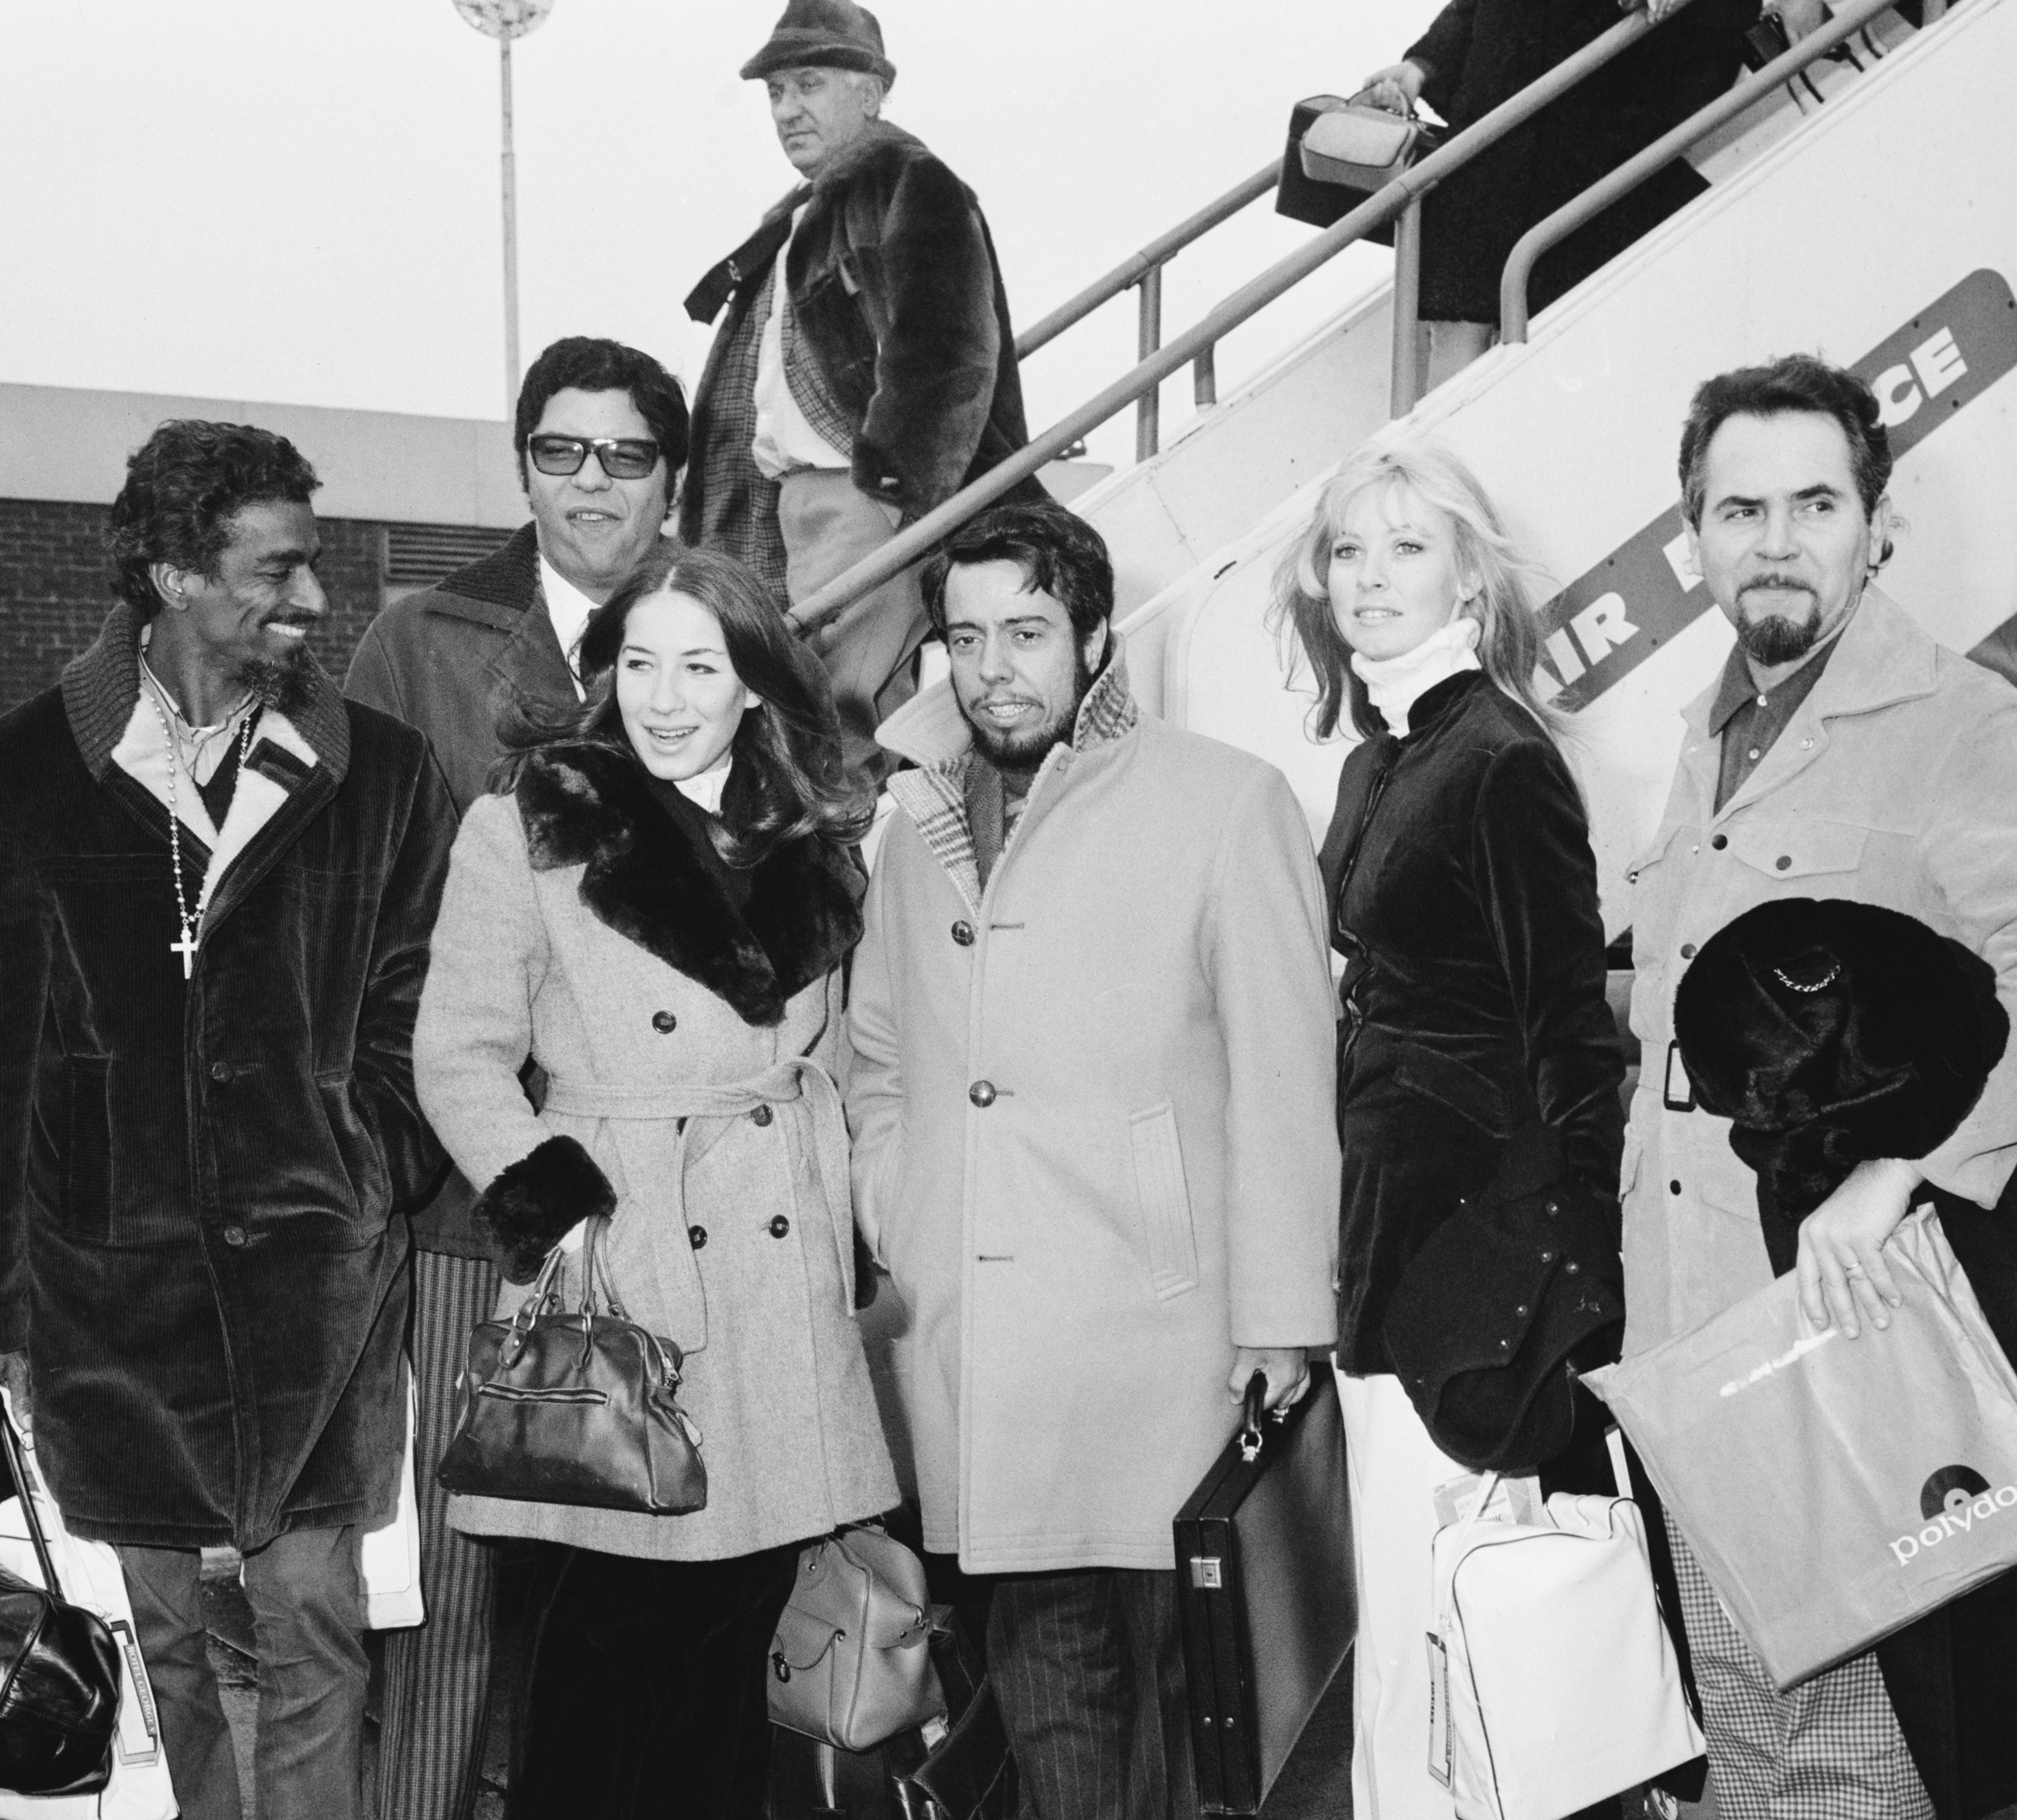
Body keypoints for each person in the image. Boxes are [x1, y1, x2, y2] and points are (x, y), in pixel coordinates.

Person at [1618, 354, 2017, 1818]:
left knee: (1847, 1755)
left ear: (1877, 523)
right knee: (1738, 1743)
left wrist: (1906, 1168)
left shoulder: (1963, 728)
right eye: (1739, 510)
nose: (1774, 541)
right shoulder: (1707, 738)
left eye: (1813, 504)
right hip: (1685, 1333)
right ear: (1693, 540)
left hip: (1830, 1339)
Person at [0, 421, 457, 1820]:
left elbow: (420, 1009)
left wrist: (367, 1161)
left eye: (316, 565)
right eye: (272, 571)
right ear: (167, 572)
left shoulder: (384, 773)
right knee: (159, 1635)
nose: (312, 601)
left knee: (312, 1623)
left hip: (320, 1286)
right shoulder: (28, 767)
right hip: (112, 1289)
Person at [847, 499, 1338, 1819]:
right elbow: (876, 1059)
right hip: (987, 1354)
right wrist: (907, 1211)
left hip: (1165, 1354)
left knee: (1190, 1728)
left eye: (1025, 631)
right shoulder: (917, 824)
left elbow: (1287, 1079)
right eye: (964, 637)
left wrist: (1282, 1315)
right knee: (1051, 1714)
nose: (992, 665)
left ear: (1094, 636)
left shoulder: (1225, 802)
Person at [412, 547, 896, 1819]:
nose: (665, 697)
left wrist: (852, 1241)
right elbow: (456, 1053)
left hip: (776, 1281)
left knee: (734, 1647)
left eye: (700, 665)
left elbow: (835, 1060)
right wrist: (569, 1218)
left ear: (753, 685)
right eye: (638, 663)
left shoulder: (816, 839)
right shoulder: (528, 826)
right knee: (599, 1650)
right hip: (622, 1277)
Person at [1276, 443, 1694, 1819]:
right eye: (1348, 550)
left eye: (1406, 547)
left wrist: (1560, 1295)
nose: (1371, 577)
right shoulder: (1379, 762)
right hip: (1385, 1246)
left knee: (1469, 1641)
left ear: (1468, 570)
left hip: (1472, 1270)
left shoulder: (1502, 758)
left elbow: (1574, 1039)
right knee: (1406, 1628)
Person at [343, 331, 687, 1820]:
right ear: (524, 463)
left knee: (657, 1573)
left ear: (673, 475)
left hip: (684, 1190)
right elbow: (349, 929)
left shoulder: (732, 635)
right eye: (562, 449)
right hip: (473, 1199)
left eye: (624, 454)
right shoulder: (419, 644)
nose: (591, 482)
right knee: (460, 1574)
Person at [679, 0, 1041, 784]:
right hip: (796, 503)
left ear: (872, 91)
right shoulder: (814, 208)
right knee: (823, 712)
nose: (787, 110)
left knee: (834, 716)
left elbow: (949, 353)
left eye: (809, 84)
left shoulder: (910, 184)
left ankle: (853, 886)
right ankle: (876, 875)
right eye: (776, 93)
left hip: (863, 500)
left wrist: (901, 500)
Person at [1361, 0, 1761, 383]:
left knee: (1559, 344)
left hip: (1589, 144)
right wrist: (1421, 66)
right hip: (1494, 142)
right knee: (1461, 327)